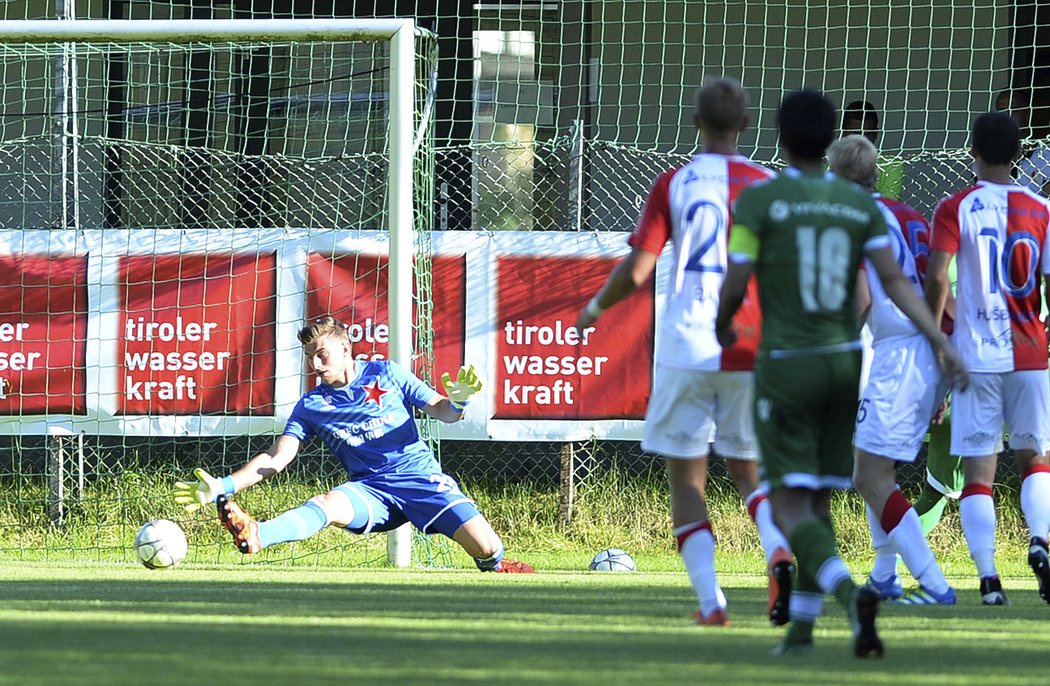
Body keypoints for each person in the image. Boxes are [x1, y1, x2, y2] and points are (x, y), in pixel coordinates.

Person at [715, 90, 967, 658]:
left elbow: (740, 277)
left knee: (791, 498)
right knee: (837, 489)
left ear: (780, 137)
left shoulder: (766, 199)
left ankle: (865, 593)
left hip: (793, 360)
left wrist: (724, 323)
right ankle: (812, 625)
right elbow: (904, 280)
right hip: (854, 359)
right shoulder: (874, 210)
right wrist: (940, 343)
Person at [574, 76, 793, 627]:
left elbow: (640, 269)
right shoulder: (768, 185)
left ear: (695, 124)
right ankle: (778, 551)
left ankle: (712, 602)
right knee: (749, 470)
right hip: (748, 344)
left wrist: (597, 307)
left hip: (686, 344)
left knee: (686, 481)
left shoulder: (674, 182)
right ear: (745, 125)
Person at [173, 316, 534, 573]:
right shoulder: (312, 405)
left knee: (487, 548)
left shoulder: (386, 373)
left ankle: (496, 566)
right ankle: (258, 535)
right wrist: (224, 485)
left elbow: (443, 411)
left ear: (345, 348)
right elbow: (276, 456)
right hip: (370, 492)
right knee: (326, 503)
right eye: (310, 357)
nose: (315, 364)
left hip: (420, 480)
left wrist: (458, 401)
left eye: (322, 354)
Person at [925, 111, 1050, 605]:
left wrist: (937, 339)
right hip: (1029, 352)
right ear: (1019, 154)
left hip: (976, 355)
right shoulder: (1041, 208)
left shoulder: (956, 207)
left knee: (980, 472)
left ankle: (989, 579)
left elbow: (937, 278)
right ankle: (1040, 542)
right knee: (1036, 462)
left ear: (973, 150)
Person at [828, 134, 956, 606]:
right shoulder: (911, 216)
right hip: (923, 345)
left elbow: (861, 299)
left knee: (869, 476)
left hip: (897, 351)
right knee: (873, 466)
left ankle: (935, 583)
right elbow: (934, 284)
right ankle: (885, 576)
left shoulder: (855, 219)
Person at [841, 100, 904, 200]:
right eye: (856, 134)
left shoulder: (891, 165)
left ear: (876, 134)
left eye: (868, 134)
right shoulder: (828, 164)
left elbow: (887, 207)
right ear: (844, 132)